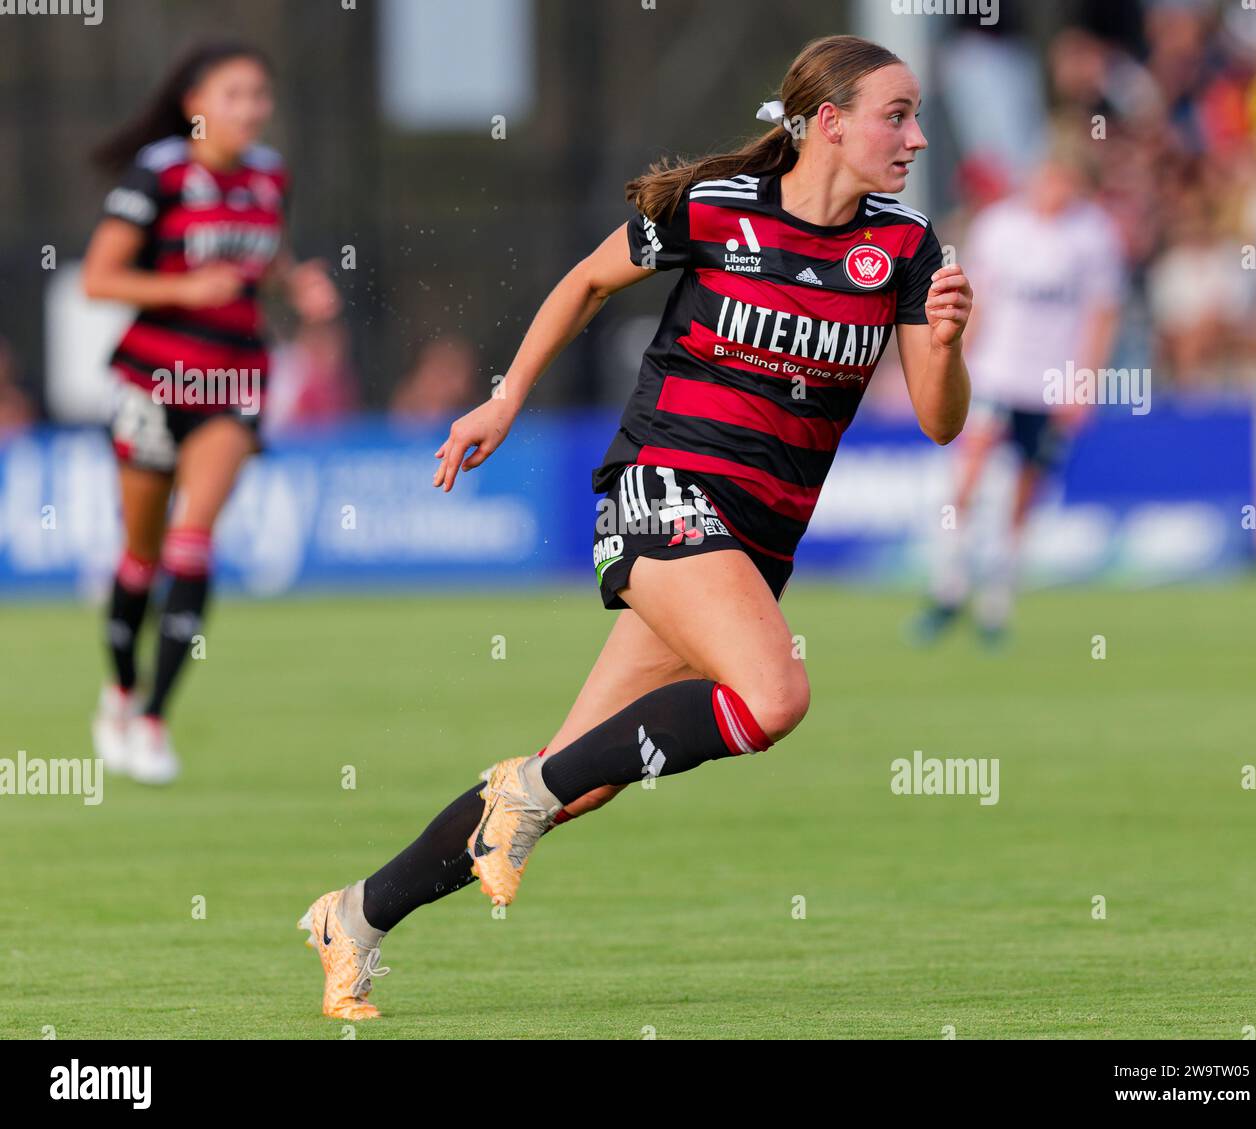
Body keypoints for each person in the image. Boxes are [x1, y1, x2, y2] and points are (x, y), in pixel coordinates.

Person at [300, 34, 971, 1021]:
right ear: (829, 123)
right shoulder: (716, 208)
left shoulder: (908, 249)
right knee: (774, 695)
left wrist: (949, 345)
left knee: (582, 774)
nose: (913, 135)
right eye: (896, 114)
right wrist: (503, 401)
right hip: (662, 490)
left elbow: (939, 417)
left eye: (914, 117)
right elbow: (583, 284)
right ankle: (521, 795)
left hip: (754, 541)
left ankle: (357, 914)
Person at [83, 41, 340, 784]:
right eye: (235, 95)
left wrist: (300, 286)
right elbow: (99, 278)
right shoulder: (160, 172)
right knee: (140, 555)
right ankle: (122, 690)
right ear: (197, 105)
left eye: (260, 95)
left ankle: (157, 717)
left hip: (232, 382)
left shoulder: (268, 174)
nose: (252, 109)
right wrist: (183, 291)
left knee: (192, 542)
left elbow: (271, 257)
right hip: (151, 383)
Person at [909, 143, 1122, 646]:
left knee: (1024, 497)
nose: (1055, 190)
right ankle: (949, 588)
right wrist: (953, 361)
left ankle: (995, 605)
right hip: (995, 376)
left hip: (1049, 383)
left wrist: (1083, 384)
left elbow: (1100, 315)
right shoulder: (999, 227)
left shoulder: (1093, 235)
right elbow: (976, 305)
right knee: (967, 480)